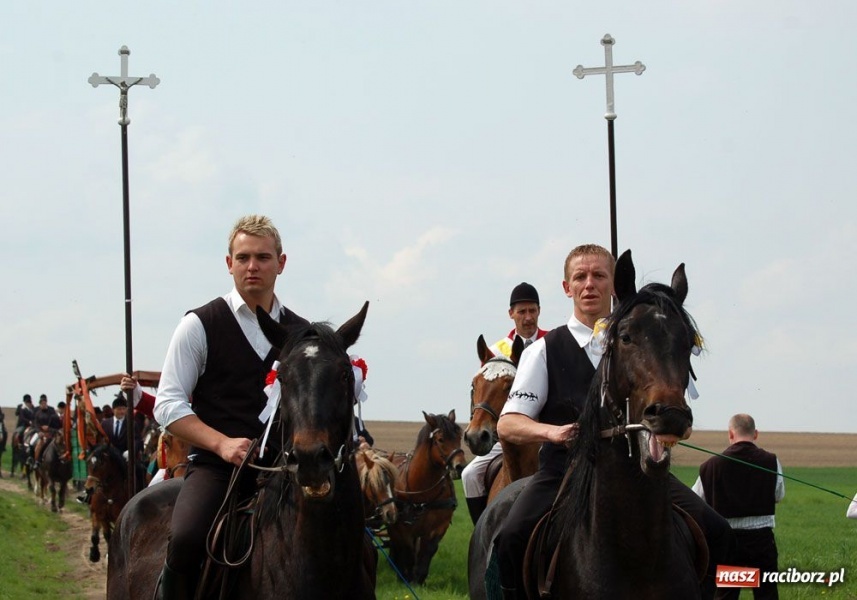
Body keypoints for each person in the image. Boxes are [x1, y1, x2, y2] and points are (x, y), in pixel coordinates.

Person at [492, 244, 734, 600]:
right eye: (580, 277)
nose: (589, 284)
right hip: (564, 473)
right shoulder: (543, 350)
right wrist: (552, 432)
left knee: (721, 533)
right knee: (510, 537)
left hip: (640, 474)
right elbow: (508, 425)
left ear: (613, 285)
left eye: (599, 275)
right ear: (567, 287)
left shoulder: (646, 341)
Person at [152, 214, 309, 599]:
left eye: (262, 257)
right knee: (187, 538)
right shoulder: (199, 324)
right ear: (229, 264)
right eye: (242, 258)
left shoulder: (301, 333)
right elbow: (167, 405)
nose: (252, 266)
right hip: (217, 470)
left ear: (281, 263)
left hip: (286, 471)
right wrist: (222, 444)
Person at [461, 282, 548, 525]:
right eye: (522, 312)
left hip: (545, 431)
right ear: (511, 314)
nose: (528, 317)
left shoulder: (552, 342)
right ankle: (482, 534)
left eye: (532, 311)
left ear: (539, 311)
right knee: (470, 475)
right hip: (507, 433)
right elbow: (483, 392)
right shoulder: (497, 349)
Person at [693, 414, 784, 600]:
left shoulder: (710, 465)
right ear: (756, 434)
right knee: (766, 594)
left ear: (730, 434)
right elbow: (779, 495)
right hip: (761, 542)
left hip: (727, 542)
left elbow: (695, 501)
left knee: (726, 594)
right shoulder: (771, 461)